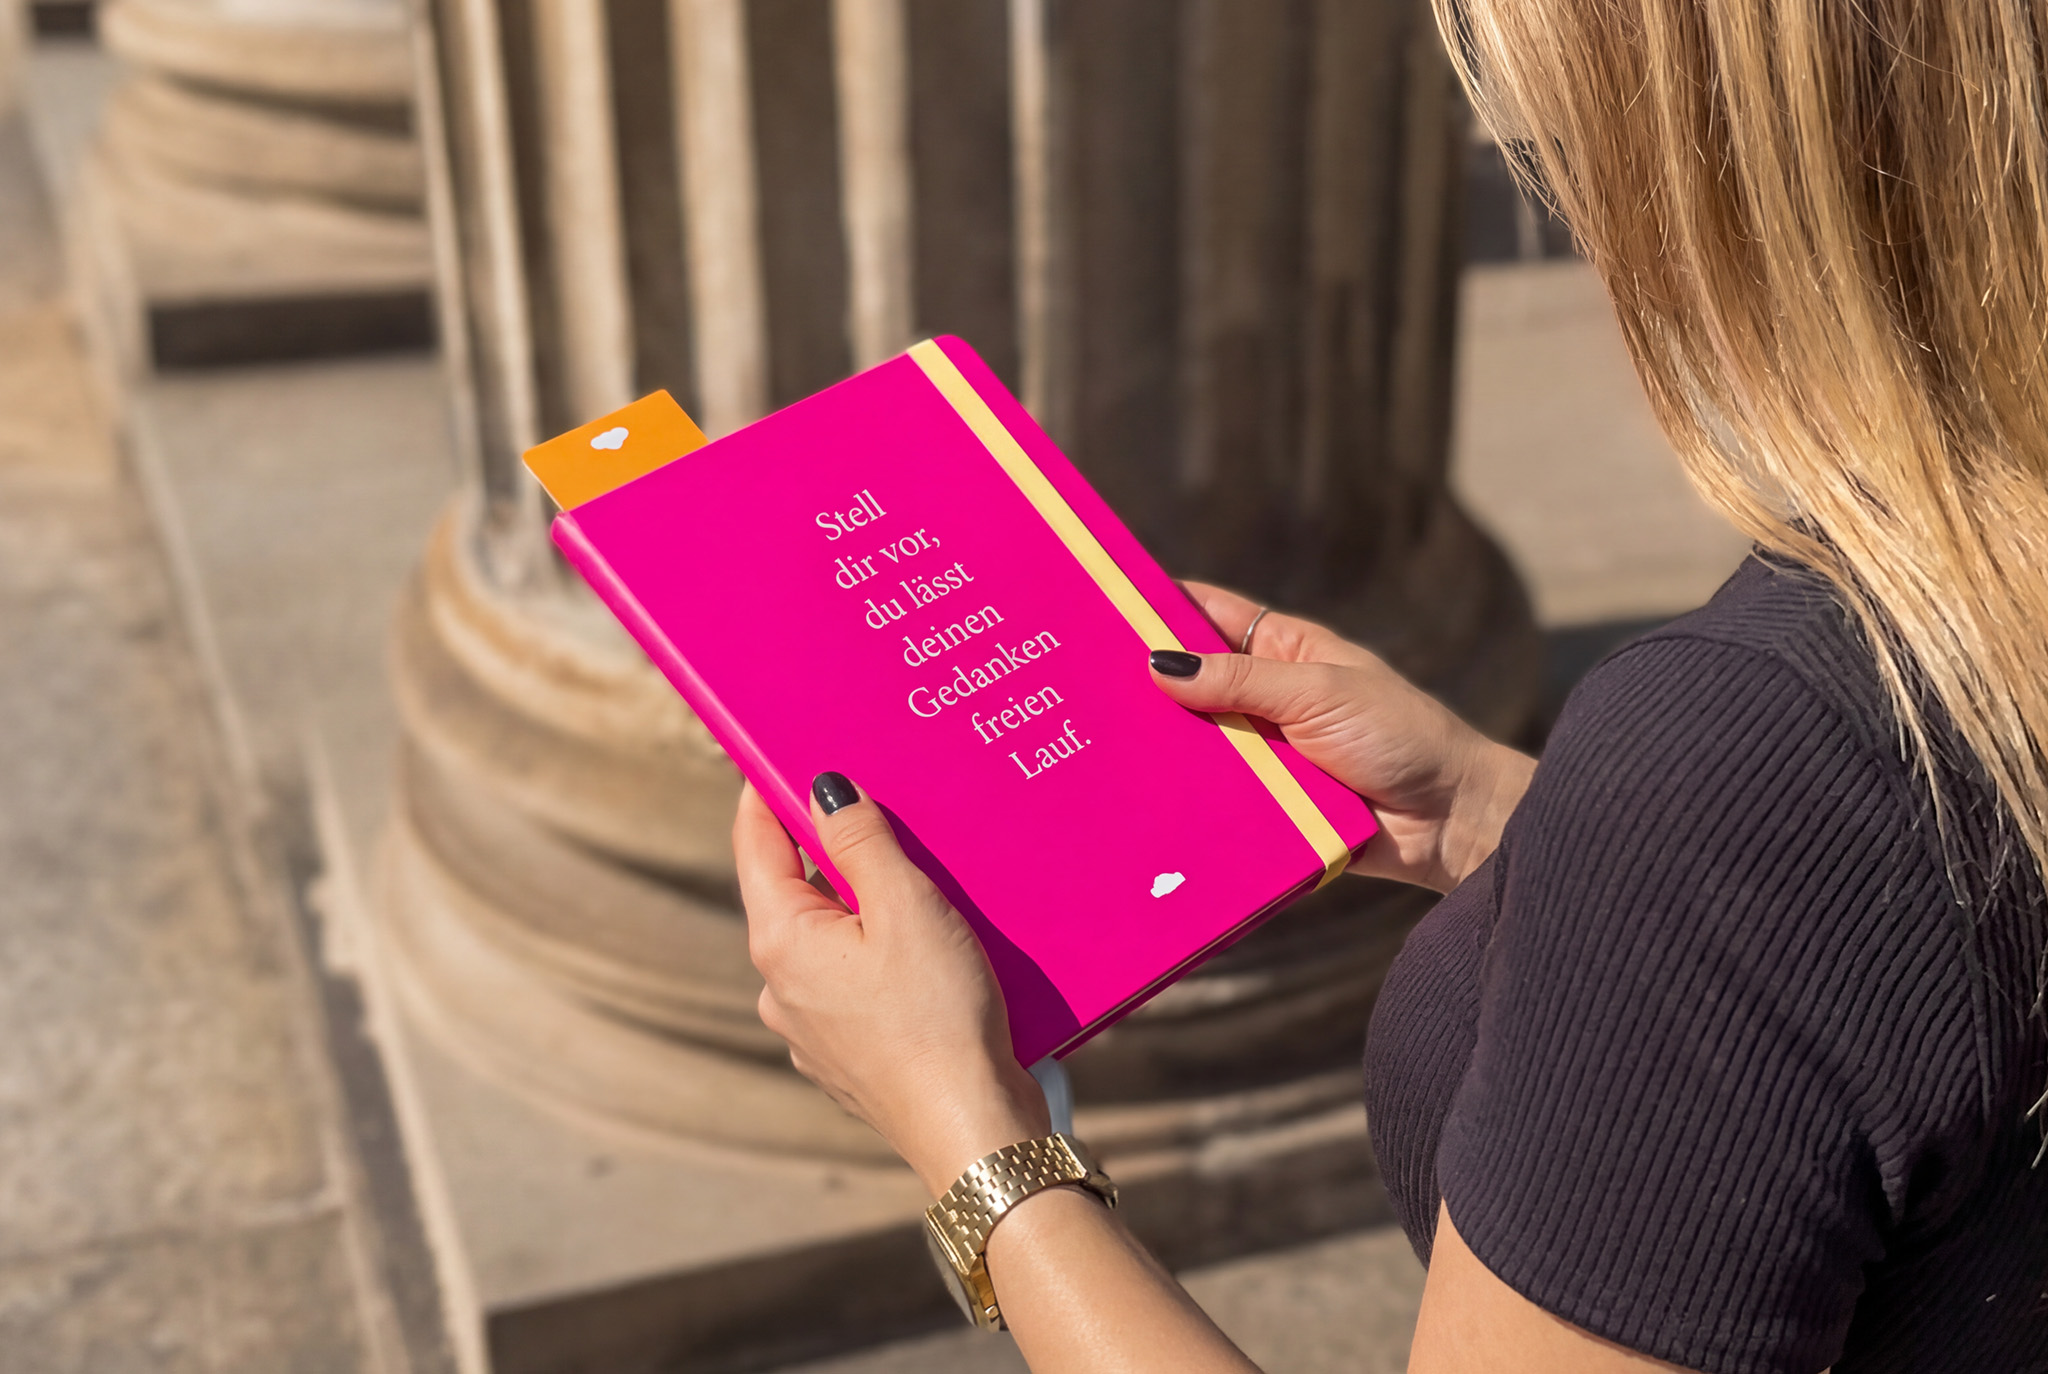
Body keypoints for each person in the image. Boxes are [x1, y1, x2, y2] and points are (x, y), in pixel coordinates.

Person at [732, 0, 2048, 1368]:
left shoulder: (1761, 760)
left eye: (1552, 129)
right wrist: (1503, 820)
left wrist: (973, 1141)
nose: (1558, 186)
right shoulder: (1818, 746)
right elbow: (1896, 973)